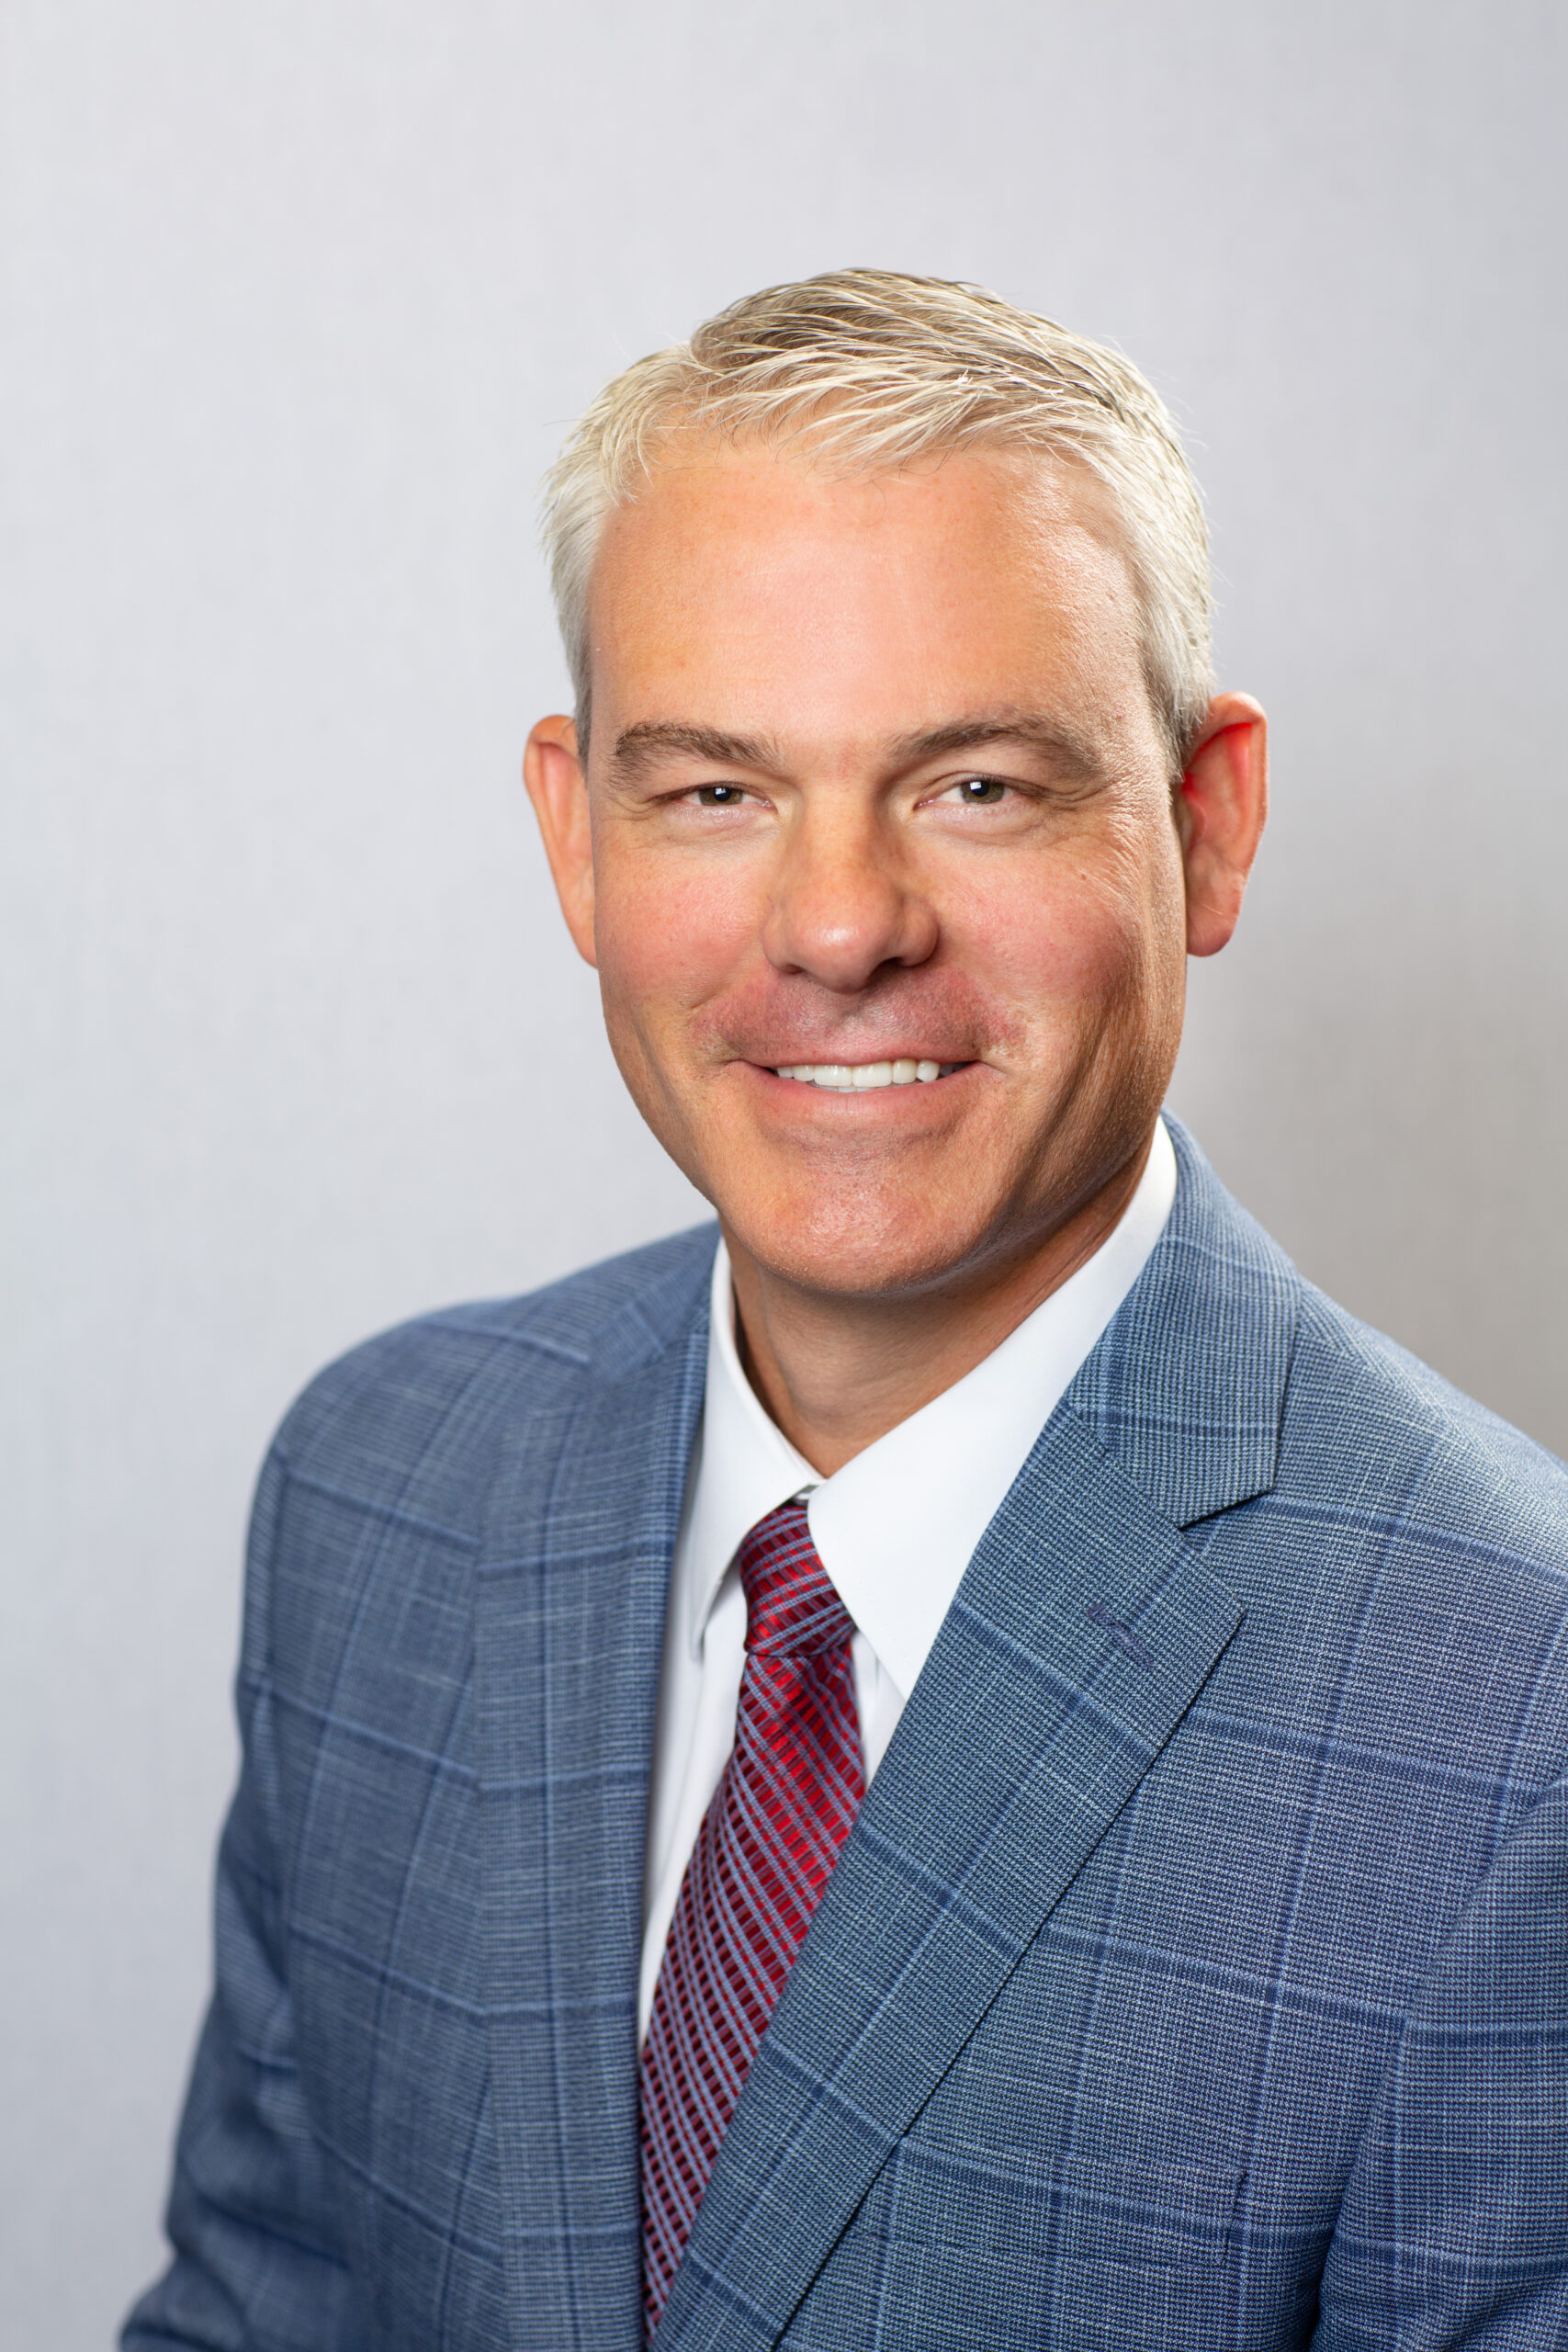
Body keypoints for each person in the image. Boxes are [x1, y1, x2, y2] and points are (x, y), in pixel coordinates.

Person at [124, 270, 1568, 2352]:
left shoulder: (1516, 1709)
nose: (836, 926)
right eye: (715, 790)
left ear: (1205, 822)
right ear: (575, 837)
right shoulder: (383, 1491)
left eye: (977, 784)